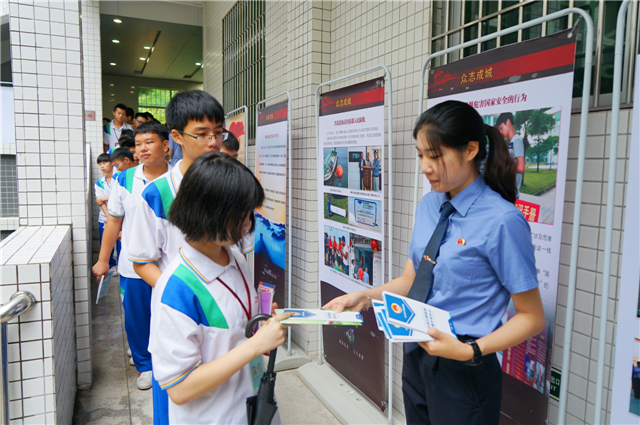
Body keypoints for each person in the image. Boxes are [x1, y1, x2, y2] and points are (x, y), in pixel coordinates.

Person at [324, 100, 544, 424]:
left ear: (470, 150)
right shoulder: (429, 205)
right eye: (420, 155)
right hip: (417, 351)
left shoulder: (503, 221)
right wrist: (366, 297)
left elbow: (532, 317)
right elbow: (412, 280)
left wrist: (471, 352)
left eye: (435, 155)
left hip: (465, 366)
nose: (425, 166)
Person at [148, 152, 290, 424]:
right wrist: (255, 346)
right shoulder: (175, 289)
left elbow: (236, 329)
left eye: (250, 213)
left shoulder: (234, 255)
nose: (248, 223)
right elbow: (179, 388)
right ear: (208, 212)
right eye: (239, 215)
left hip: (252, 405)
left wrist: (262, 323)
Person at [127, 90, 225, 424]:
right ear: (177, 137)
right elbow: (141, 261)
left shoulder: (228, 185)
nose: (213, 142)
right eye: (202, 134)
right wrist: (181, 296)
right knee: (178, 403)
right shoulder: (156, 194)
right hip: (177, 319)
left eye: (218, 132)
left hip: (223, 314)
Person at [93, 121, 170, 391]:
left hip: (171, 264)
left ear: (166, 145)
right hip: (134, 265)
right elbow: (113, 221)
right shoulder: (125, 179)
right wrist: (104, 259)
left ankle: (167, 359)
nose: (142, 148)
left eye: (149, 142)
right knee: (137, 317)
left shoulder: (180, 178)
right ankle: (145, 365)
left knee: (170, 313)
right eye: (138, 144)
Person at [95, 153, 118, 270]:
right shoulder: (99, 183)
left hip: (120, 216)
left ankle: (122, 264)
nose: (102, 166)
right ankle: (110, 265)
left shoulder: (119, 177)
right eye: (100, 164)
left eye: (104, 163)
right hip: (105, 217)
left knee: (121, 242)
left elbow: (120, 196)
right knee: (105, 243)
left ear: (112, 163)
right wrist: (108, 216)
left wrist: (104, 198)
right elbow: (100, 202)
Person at [496, 112, 525, 198]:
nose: (501, 132)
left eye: (501, 128)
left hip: (513, 192)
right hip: (509, 189)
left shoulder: (516, 141)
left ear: (508, 122)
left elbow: (520, 167)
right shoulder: (510, 142)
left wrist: (503, 167)